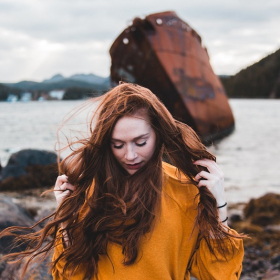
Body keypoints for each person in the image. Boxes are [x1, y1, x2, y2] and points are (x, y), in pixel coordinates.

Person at [1, 83, 244, 279]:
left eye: (140, 142)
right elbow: (70, 275)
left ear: (158, 135)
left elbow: (216, 275)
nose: (130, 155)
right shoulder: (91, 191)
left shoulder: (185, 190)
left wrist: (218, 205)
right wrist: (66, 217)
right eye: (118, 145)